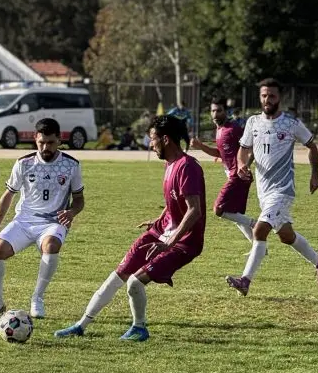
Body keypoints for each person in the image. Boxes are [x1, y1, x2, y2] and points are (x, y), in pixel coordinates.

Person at [55, 115, 205, 342]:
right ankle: (81, 325)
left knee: (135, 282)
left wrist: (168, 243)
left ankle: (139, 328)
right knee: (119, 274)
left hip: (184, 242)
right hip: (161, 231)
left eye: (152, 139)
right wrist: (161, 217)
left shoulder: (188, 167)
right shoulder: (170, 164)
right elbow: (175, 201)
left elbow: (194, 211)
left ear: (165, 139)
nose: (150, 145)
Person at [226, 78, 318, 296]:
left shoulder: (291, 124)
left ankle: (245, 281)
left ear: (279, 98)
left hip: (283, 190)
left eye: (272, 96)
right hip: (263, 191)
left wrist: (315, 175)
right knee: (285, 235)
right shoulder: (253, 122)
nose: (267, 99)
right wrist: (242, 165)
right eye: (264, 95)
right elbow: (243, 149)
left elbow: (312, 146)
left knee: (260, 229)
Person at [0, 118, 84, 319]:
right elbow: (8, 194)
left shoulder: (71, 165)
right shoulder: (24, 163)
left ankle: (37, 298)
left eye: (51, 142)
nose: (46, 147)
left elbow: (79, 199)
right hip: (24, 221)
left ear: (59, 140)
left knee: (51, 245)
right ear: (35, 139)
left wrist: (71, 212)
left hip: (53, 222)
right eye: (41, 142)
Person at [189, 97, 256, 242]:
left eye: (219, 111)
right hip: (232, 175)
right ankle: (258, 247)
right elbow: (219, 153)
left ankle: (256, 224)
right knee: (236, 214)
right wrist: (200, 146)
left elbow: (254, 147)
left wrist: (246, 165)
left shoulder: (234, 129)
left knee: (219, 209)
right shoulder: (220, 130)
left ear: (226, 111)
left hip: (238, 176)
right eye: (213, 111)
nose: (215, 114)